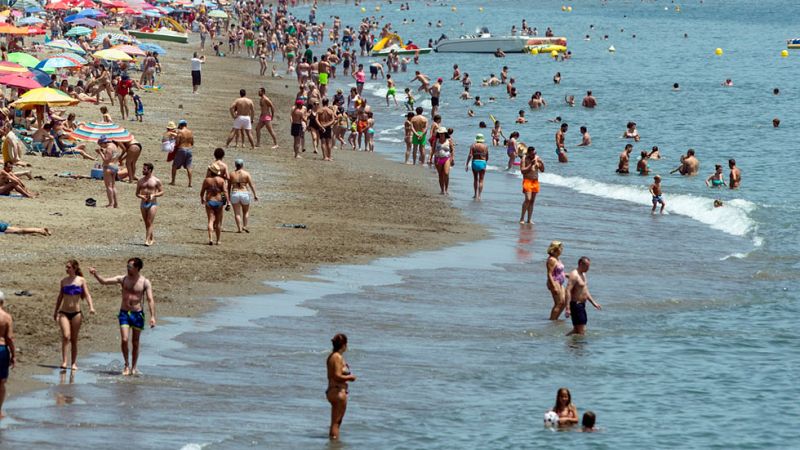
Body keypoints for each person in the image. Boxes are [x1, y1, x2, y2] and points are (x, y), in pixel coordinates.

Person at [89, 258, 156, 376]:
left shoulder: (145, 282)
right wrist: (96, 274)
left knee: (135, 342)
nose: (127, 268)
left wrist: (152, 317)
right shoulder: (123, 279)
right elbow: (104, 281)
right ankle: (126, 364)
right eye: (127, 266)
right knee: (124, 339)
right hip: (124, 313)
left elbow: (150, 300)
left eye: (130, 267)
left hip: (137, 314)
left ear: (137, 268)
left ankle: (134, 367)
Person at [53, 259, 95, 371]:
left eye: (69, 267)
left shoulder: (81, 280)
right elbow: (60, 297)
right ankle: (64, 361)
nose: (66, 269)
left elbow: (87, 295)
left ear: (75, 268)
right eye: (66, 267)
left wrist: (91, 307)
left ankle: (74, 363)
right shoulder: (63, 281)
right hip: (64, 312)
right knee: (66, 336)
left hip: (76, 313)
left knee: (74, 339)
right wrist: (55, 311)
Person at [326, 333, 356, 440]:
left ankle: (332, 443)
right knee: (337, 423)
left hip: (332, 390)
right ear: (344, 345)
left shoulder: (331, 356)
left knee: (334, 422)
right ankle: (335, 445)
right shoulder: (337, 357)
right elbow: (337, 376)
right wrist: (350, 377)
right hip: (338, 392)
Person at [565, 256, 601, 335]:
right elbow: (567, 290)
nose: (588, 268)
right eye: (587, 266)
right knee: (582, 331)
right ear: (581, 264)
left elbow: (585, 291)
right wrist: (567, 308)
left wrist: (594, 303)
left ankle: (565, 342)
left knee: (576, 330)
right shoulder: (574, 275)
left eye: (589, 266)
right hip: (576, 305)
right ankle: (580, 347)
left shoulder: (583, 274)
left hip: (582, 305)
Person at [135, 163, 164, 246]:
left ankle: (147, 240)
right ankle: (152, 238)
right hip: (143, 203)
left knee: (149, 221)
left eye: (145, 169)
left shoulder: (156, 180)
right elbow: (137, 193)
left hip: (153, 203)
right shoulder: (140, 181)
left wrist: (154, 195)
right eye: (143, 169)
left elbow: (162, 192)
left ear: (150, 170)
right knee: (146, 222)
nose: (143, 170)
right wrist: (142, 196)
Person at [228, 159, 258, 233]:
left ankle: (239, 229)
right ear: (242, 165)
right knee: (246, 211)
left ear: (235, 165)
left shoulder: (231, 174)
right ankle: (245, 226)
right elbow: (251, 185)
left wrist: (228, 197)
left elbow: (228, 187)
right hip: (244, 193)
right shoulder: (246, 174)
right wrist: (255, 195)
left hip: (235, 193)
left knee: (237, 213)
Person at [200, 163, 227, 245]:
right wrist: (226, 201)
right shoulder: (221, 180)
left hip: (210, 201)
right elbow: (224, 192)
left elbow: (202, 192)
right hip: (219, 202)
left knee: (210, 221)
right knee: (218, 222)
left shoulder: (207, 180)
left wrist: (202, 198)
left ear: (211, 171)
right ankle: (218, 240)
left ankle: (211, 238)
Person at [0, 291, 16, 419]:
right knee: (1, 382)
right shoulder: (6, 317)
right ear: (3, 302)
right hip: (1, 349)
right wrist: (14, 355)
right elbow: (9, 338)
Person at [519, 146, 544, 223]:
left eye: (535, 153)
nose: (534, 155)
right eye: (532, 154)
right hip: (527, 180)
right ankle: (522, 218)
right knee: (528, 199)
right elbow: (522, 171)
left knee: (532, 201)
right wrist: (531, 165)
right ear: (529, 153)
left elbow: (542, 170)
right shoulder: (524, 158)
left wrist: (541, 163)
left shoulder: (537, 158)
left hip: (535, 181)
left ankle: (529, 219)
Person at [95, 136, 119, 208]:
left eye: (100, 144)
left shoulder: (109, 148)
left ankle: (111, 204)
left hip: (108, 167)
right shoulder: (114, 146)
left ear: (103, 143)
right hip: (115, 166)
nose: (101, 146)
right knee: (113, 186)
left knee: (108, 186)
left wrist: (100, 153)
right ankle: (115, 204)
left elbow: (106, 160)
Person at [546, 241, 566, 320]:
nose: (562, 250)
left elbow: (559, 271)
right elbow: (549, 274)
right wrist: (553, 286)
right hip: (554, 282)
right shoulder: (552, 260)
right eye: (560, 248)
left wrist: (567, 275)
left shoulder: (557, 259)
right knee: (559, 303)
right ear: (555, 249)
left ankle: (556, 318)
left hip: (560, 282)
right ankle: (552, 319)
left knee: (564, 302)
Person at [465, 134, 489, 201]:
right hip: (482, 162)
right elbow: (487, 157)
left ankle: (475, 194)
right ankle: (479, 196)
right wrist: (485, 162)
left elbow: (470, 155)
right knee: (481, 180)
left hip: (475, 162)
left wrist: (467, 164)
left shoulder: (473, 145)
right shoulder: (485, 146)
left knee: (475, 179)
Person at [171, 120, 194, 187]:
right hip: (189, 149)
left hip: (181, 149)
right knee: (188, 167)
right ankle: (190, 183)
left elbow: (177, 143)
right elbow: (192, 142)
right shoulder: (190, 132)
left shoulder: (180, 132)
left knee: (174, 166)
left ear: (181, 125)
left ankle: (173, 181)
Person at [432, 126, 453, 195]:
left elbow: (452, 150)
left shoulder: (449, 140)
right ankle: (442, 190)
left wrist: (452, 159)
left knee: (446, 173)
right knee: (440, 174)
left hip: (446, 158)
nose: (441, 134)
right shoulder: (436, 141)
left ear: (445, 133)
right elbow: (432, 150)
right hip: (438, 158)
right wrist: (430, 158)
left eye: (443, 133)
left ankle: (446, 189)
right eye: (440, 133)